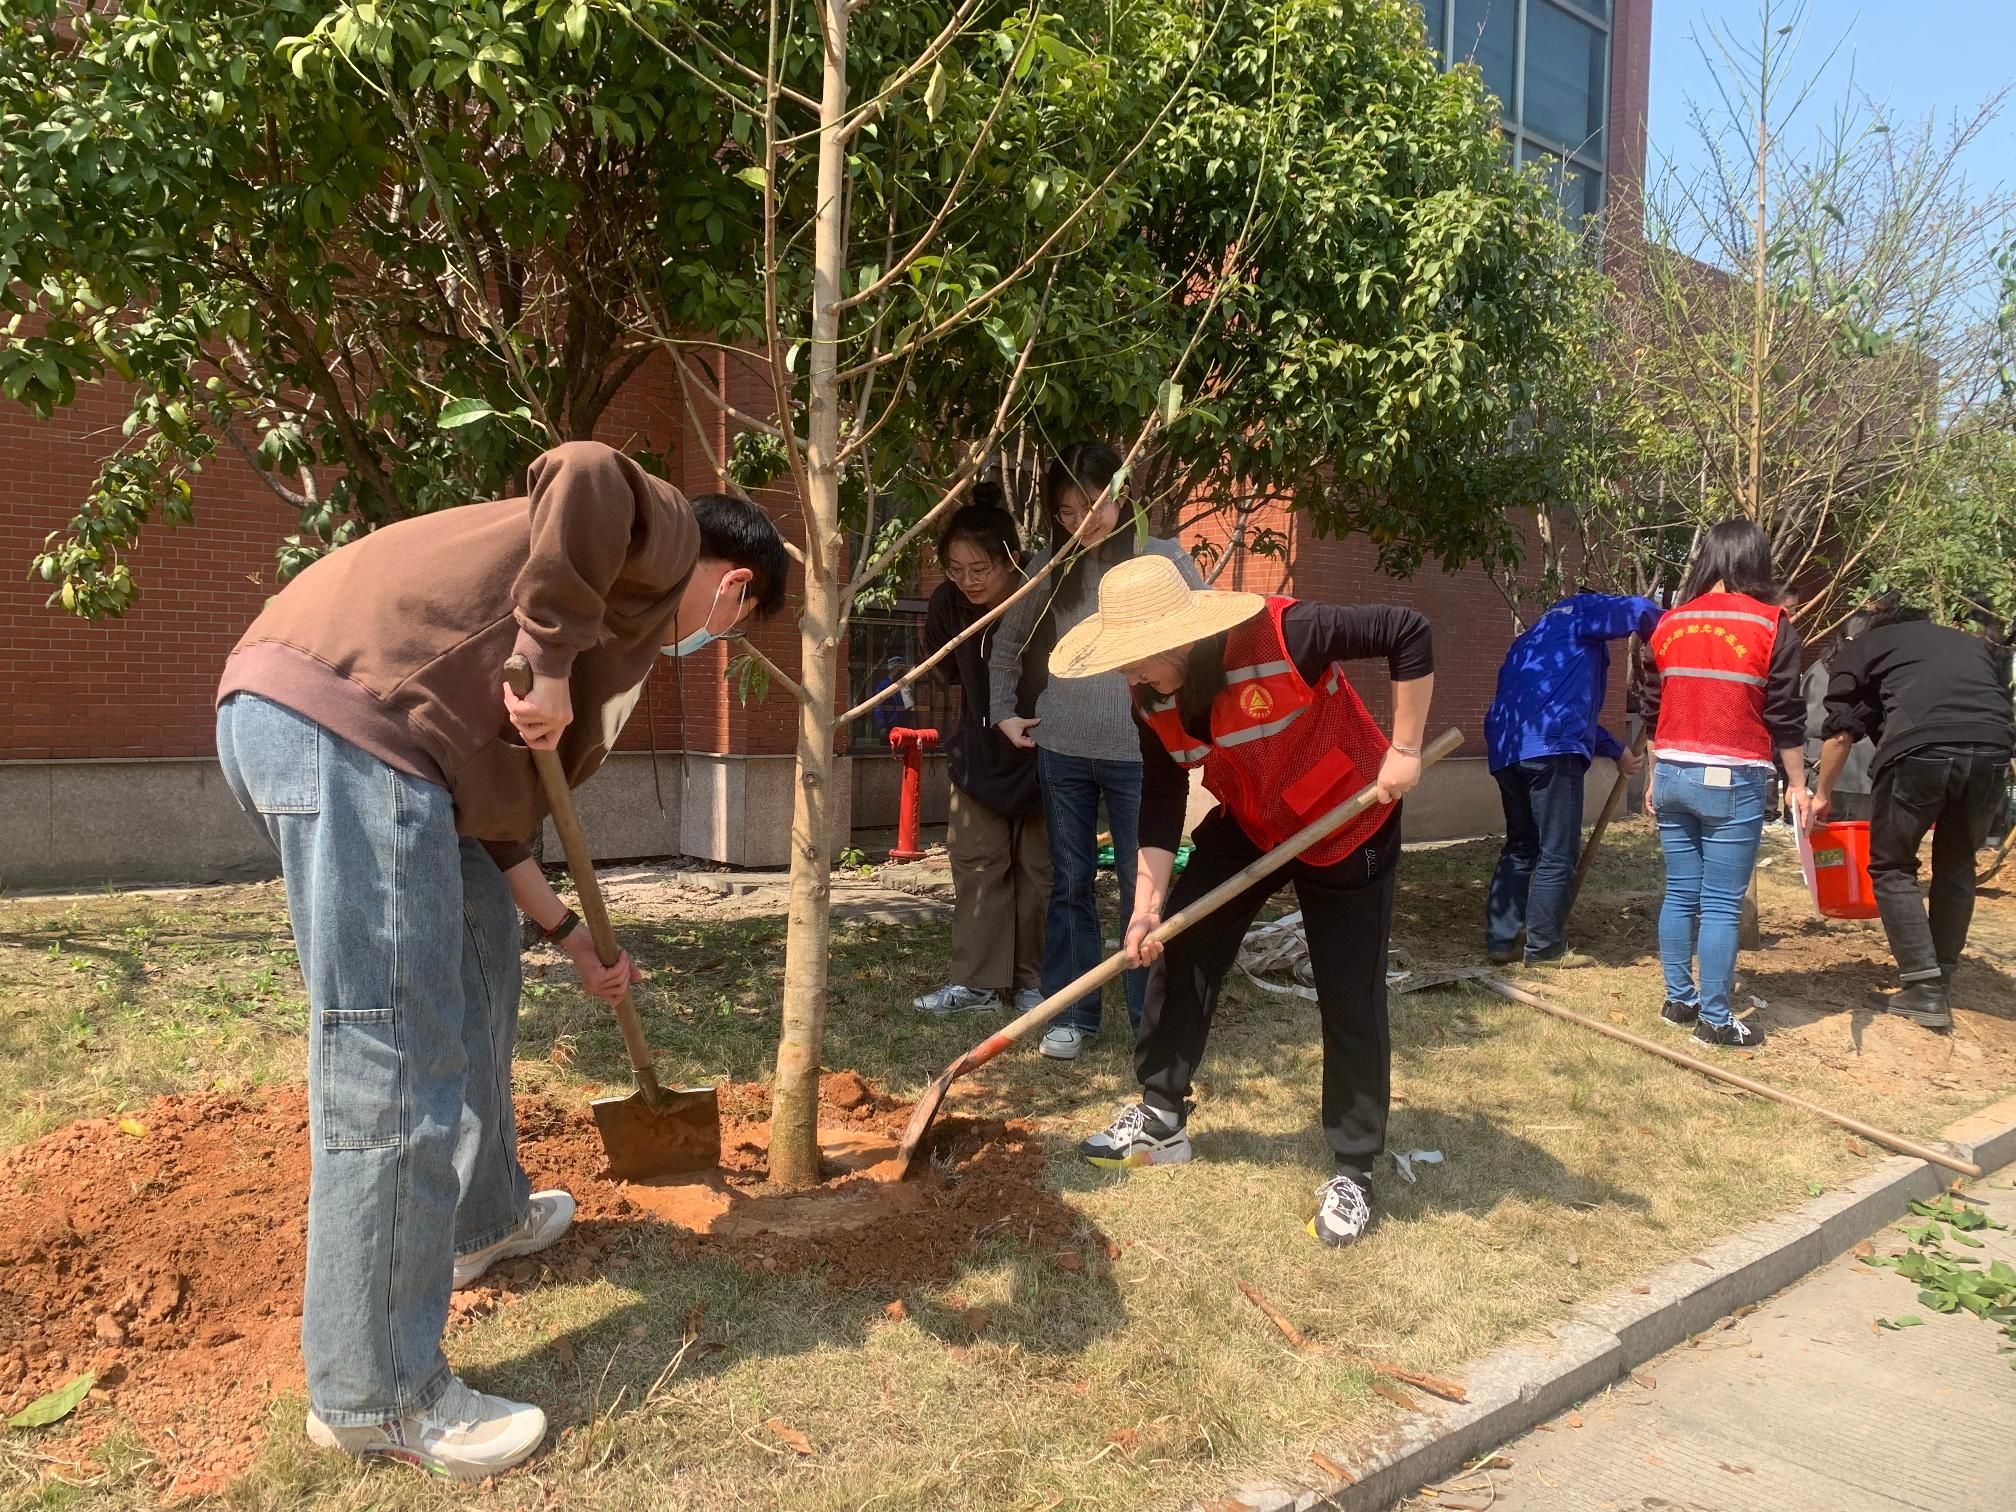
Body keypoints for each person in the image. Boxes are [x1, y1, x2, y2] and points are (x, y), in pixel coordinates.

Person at [213, 443, 788, 1479]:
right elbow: (585, 469)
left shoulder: (598, 623)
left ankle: (482, 1219)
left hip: (383, 751)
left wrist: (571, 938)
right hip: (352, 729)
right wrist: (553, 659)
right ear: (736, 587)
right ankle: (376, 1393)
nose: (715, 640)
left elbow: (500, 831)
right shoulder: (658, 542)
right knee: (394, 1052)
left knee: (484, 968)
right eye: (734, 626)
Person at [1055, 555, 1433, 1248]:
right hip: (1255, 817)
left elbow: (1407, 630)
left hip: (1347, 817)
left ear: (1179, 639)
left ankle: (1354, 1168)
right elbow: (1162, 796)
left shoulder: (1287, 635)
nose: (1127, 674)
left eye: (1135, 658)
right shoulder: (1151, 695)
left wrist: (1405, 748)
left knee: (1349, 993)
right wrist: (1146, 908)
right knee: (1182, 940)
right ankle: (1162, 1117)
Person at [988, 443, 1205, 1061]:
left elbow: (1208, 636)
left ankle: (1150, 1020)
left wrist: (1194, 726)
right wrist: (1003, 712)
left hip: (1142, 756)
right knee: (1070, 885)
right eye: (1065, 511)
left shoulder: (1161, 558)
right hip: (1063, 750)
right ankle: (1072, 1015)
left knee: (1145, 890)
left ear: (1121, 493)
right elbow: (1006, 641)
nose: (1081, 521)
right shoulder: (1052, 565)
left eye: (1092, 504)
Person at [1639, 520, 1808, 1051]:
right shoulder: (1770, 624)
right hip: (1732, 777)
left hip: (1671, 773)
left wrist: (1653, 777)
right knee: (1719, 904)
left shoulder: (1669, 623)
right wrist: (1798, 784)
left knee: (1680, 892)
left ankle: (1678, 1000)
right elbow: (1785, 713)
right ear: (1756, 561)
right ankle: (1714, 1019)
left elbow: (1651, 707)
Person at [1814, 606, 2016, 1029]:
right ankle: (1941, 976)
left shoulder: (1868, 645)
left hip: (1921, 750)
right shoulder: (1968, 645)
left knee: (1891, 866)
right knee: (1957, 865)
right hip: (1994, 751)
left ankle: (1923, 989)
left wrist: (1823, 794)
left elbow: (1840, 732)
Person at [913, 490, 1053, 1015]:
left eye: (980, 569)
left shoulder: (1042, 596)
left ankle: (1033, 983)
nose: (968, 581)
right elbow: (946, 669)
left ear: (1010, 560)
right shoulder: (947, 604)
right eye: (955, 570)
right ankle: (977, 985)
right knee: (977, 866)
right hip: (978, 754)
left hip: (1046, 751)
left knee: (1039, 872)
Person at [1483, 589, 1660, 967]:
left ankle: (1501, 940)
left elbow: (1552, 710)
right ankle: (1544, 947)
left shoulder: (1530, 640)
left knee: (1521, 845)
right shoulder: (1581, 610)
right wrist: (1672, 639)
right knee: (1557, 849)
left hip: (1507, 750)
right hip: (1551, 752)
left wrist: (1617, 750)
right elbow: (1641, 609)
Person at [1800, 610, 1875, 821]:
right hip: (1866, 780)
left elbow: (1807, 725)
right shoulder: (1881, 673)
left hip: (1825, 775)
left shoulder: (1819, 671)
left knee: (1827, 840)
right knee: (1865, 839)